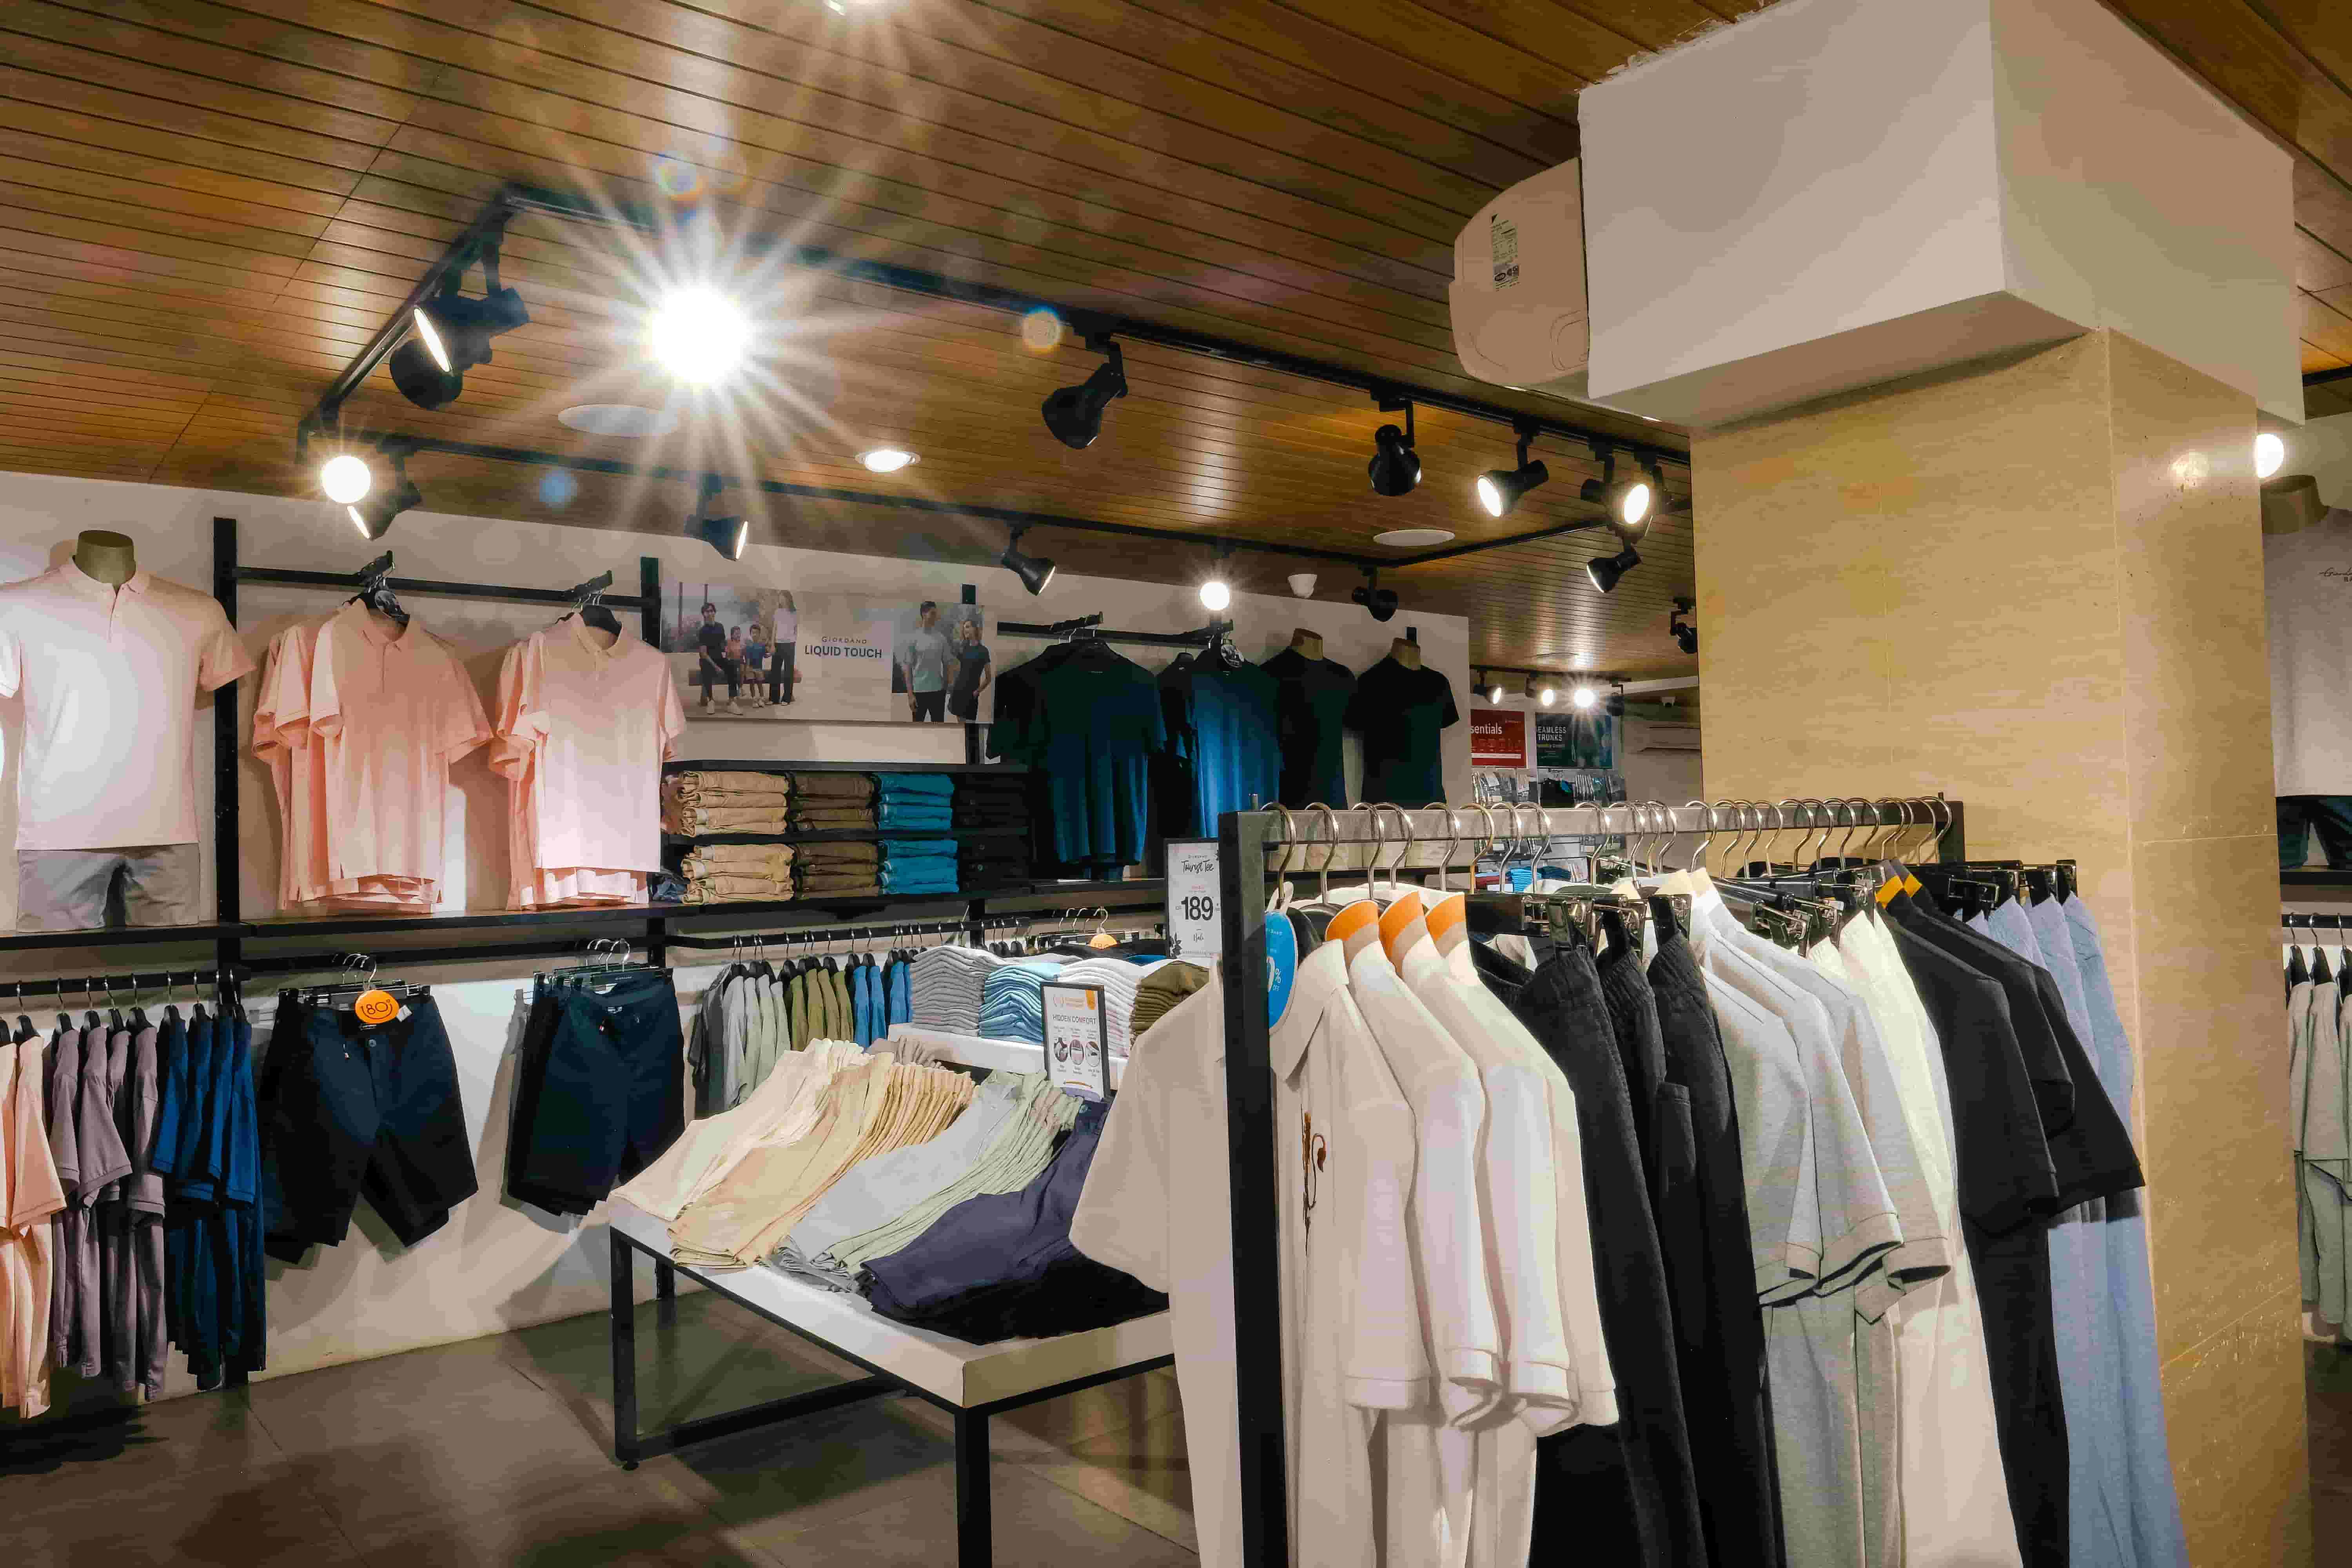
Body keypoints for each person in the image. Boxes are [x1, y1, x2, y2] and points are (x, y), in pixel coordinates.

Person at [901, 600, 950, 722]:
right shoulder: (913, 638)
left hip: (938, 693)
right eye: (933, 613)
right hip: (919, 693)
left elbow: (947, 664)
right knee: (917, 729)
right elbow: (908, 669)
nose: (935, 617)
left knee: (939, 729)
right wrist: (910, 695)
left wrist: (945, 688)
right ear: (924, 614)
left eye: (936, 614)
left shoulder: (941, 639)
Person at [694, 601, 739, 712]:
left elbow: (723, 645)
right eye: (707, 612)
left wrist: (727, 653)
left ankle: (732, 702)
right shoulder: (702, 631)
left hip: (719, 658)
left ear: (715, 613)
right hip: (708, 660)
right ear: (704, 614)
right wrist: (716, 667)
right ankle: (711, 701)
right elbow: (704, 654)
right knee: (705, 667)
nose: (710, 613)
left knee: (732, 666)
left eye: (712, 611)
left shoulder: (720, 627)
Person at [947, 614, 993, 721]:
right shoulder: (963, 648)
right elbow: (954, 662)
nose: (965, 630)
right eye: (964, 628)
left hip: (971, 695)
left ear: (975, 629)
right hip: (958, 693)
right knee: (960, 725)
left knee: (970, 726)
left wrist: (977, 692)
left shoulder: (983, 651)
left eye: (968, 627)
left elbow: (989, 678)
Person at [768, 591, 797, 706]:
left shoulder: (795, 613)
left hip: (790, 644)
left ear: (788, 599)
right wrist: (772, 644)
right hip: (778, 644)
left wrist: (794, 641)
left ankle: (787, 698)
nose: (780, 600)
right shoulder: (778, 612)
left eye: (782, 597)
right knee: (775, 671)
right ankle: (774, 698)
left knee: (789, 672)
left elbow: (796, 629)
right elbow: (774, 628)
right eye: (779, 598)